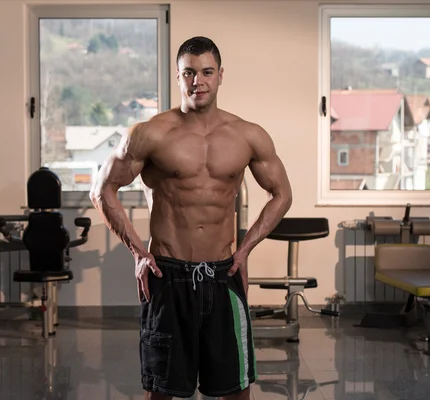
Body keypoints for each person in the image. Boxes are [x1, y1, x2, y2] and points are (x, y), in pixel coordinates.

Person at [90, 36, 293, 400]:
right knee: (163, 391)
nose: (197, 81)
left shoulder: (248, 135)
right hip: (167, 275)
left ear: (220, 76)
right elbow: (101, 191)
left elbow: (282, 195)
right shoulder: (150, 133)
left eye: (206, 72)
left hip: (222, 274)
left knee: (236, 389)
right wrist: (138, 253)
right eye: (189, 73)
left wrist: (244, 250)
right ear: (179, 78)